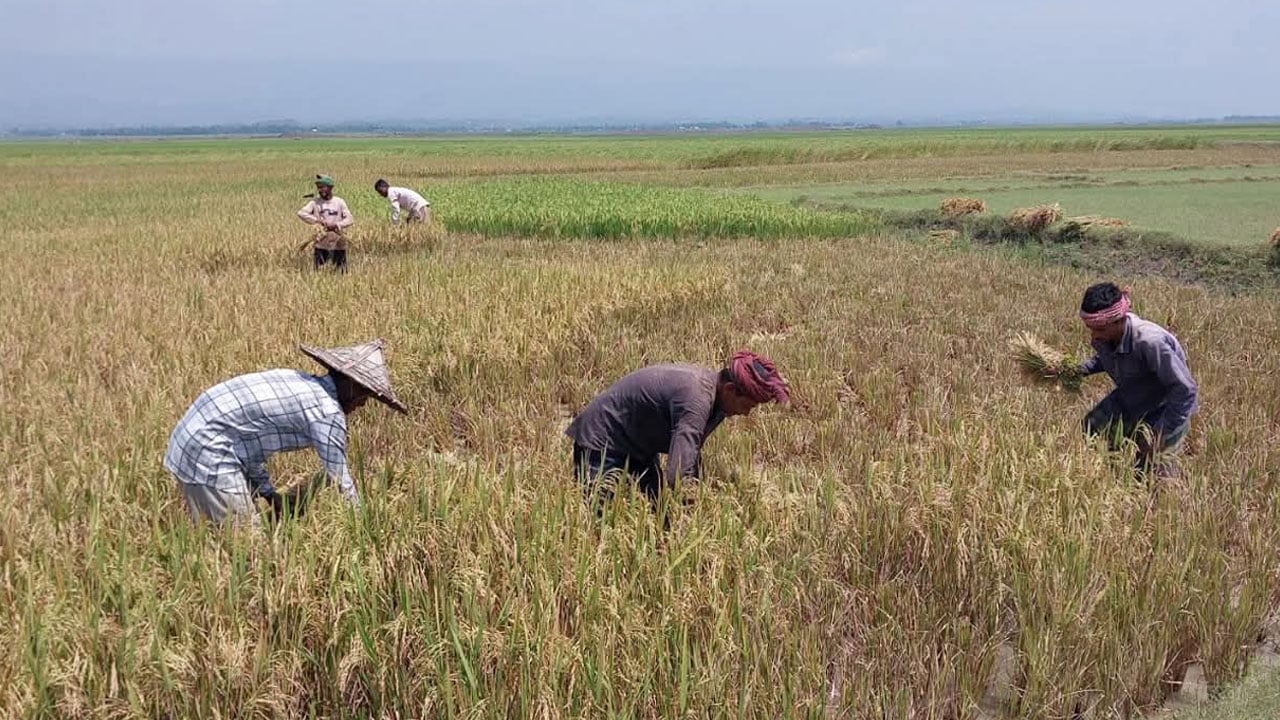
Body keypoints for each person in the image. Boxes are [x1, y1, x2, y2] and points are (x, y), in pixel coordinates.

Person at [163, 339, 407, 528]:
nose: (362, 405)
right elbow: (342, 482)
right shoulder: (327, 413)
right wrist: (364, 529)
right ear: (352, 386)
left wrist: (268, 494)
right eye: (364, 396)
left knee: (220, 540)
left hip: (189, 439)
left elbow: (248, 444)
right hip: (207, 451)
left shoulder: (299, 381)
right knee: (249, 549)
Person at [565, 350, 790, 507]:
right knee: (602, 518)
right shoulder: (697, 399)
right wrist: (696, 511)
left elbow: (690, 451)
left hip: (639, 447)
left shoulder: (718, 403)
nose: (746, 413)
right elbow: (679, 475)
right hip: (603, 440)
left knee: (658, 512)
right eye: (747, 405)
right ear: (731, 389)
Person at [1077, 282, 1198, 477]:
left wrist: (1161, 433)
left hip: (1166, 408)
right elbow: (1106, 359)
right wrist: (1076, 371)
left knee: (1152, 473)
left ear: (1118, 321)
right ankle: (1113, 479)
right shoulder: (1105, 336)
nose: (1093, 335)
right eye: (1090, 328)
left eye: (1099, 329)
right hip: (1133, 397)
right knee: (1093, 427)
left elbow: (1185, 390)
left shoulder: (1150, 342)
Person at [297, 174, 354, 271]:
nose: (320, 190)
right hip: (321, 243)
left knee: (341, 272)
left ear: (330, 188)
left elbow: (350, 219)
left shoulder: (339, 202)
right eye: (318, 188)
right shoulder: (315, 203)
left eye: (323, 187)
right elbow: (301, 213)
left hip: (338, 243)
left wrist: (337, 225)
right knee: (318, 271)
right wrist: (317, 220)